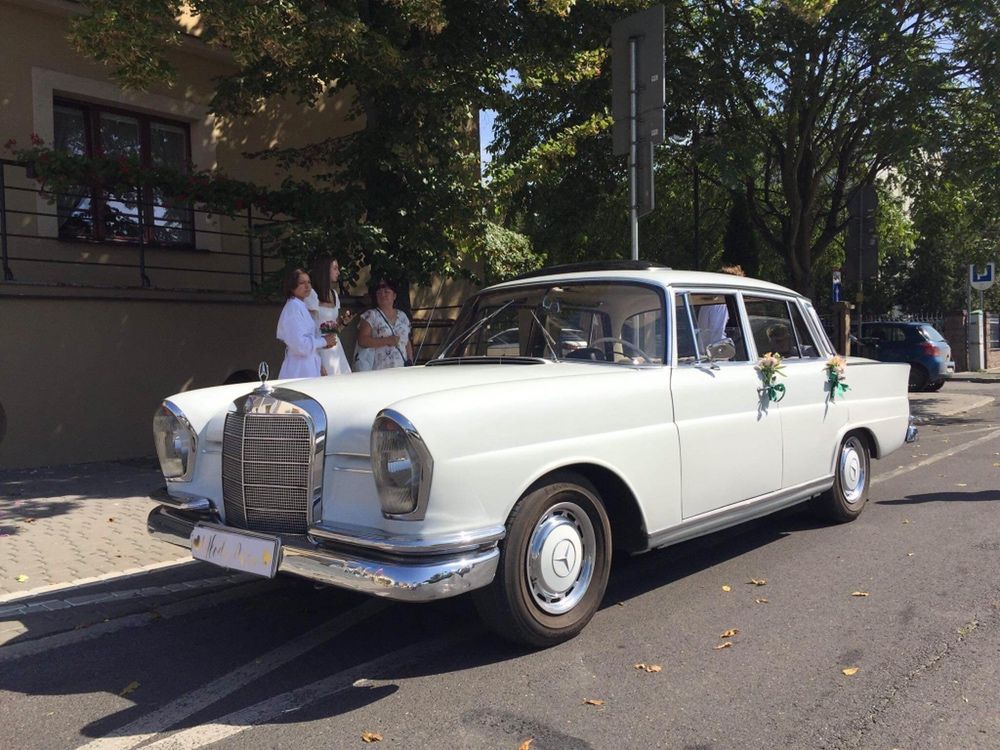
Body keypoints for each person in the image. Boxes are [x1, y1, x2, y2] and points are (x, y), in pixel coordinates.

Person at [276, 267, 338, 379]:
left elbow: (309, 339)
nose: (307, 286)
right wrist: (324, 341)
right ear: (292, 286)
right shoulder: (293, 308)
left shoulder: (301, 306)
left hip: (308, 367)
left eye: (309, 282)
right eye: (302, 283)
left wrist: (319, 363)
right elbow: (300, 345)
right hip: (299, 370)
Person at [308, 256, 354, 376]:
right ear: (325, 270)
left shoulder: (334, 294)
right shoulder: (312, 294)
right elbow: (309, 329)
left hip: (335, 350)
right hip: (319, 349)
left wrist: (343, 322)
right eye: (335, 268)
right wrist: (317, 362)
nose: (338, 272)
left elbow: (332, 330)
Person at [357, 278, 413, 370]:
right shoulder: (370, 315)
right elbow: (362, 340)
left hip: (402, 368)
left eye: (386, 292)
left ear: (394, 296)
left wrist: (410, 360)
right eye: (379, 293)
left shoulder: (403, 316)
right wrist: (386, 341)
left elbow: (407, 342)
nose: (382, 294)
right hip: (379, 369)